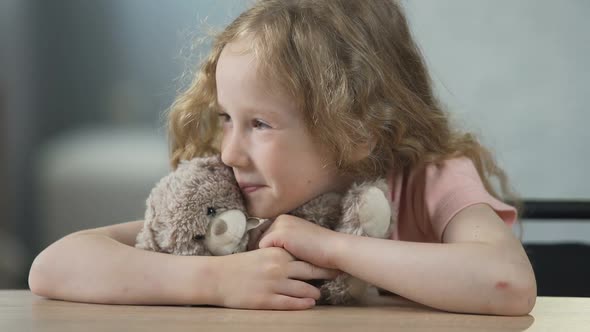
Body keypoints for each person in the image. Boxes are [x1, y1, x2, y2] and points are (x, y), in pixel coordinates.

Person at [28, 0, 536, 315]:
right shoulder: (239, 201)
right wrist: (216, 281)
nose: (229, 152)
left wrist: (329, 246)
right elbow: (53, 267)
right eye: (227, 117)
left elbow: (506, 282)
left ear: (356, 129)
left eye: (260, 124)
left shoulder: (432, 181)